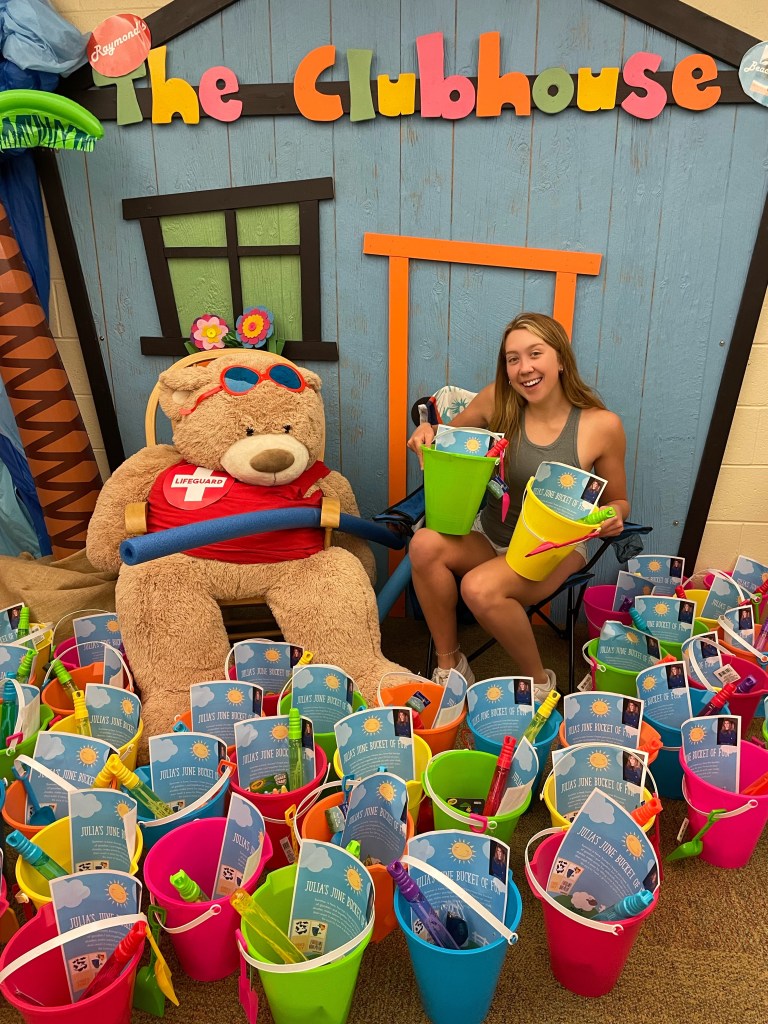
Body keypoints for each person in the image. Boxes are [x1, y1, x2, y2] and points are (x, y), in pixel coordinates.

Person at [407, 312, 630, 700]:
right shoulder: (497, 400)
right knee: (423, 544)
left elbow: (618, 502)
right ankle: (450, 665)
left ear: (561, 359)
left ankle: (540, 682)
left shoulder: (602, 425)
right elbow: (448, 438)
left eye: (535, 354)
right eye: (513, 359)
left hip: (550, 551)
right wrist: (428, 431)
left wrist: (614, 516)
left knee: (478, 588)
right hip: (491, 534)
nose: (524, 367)